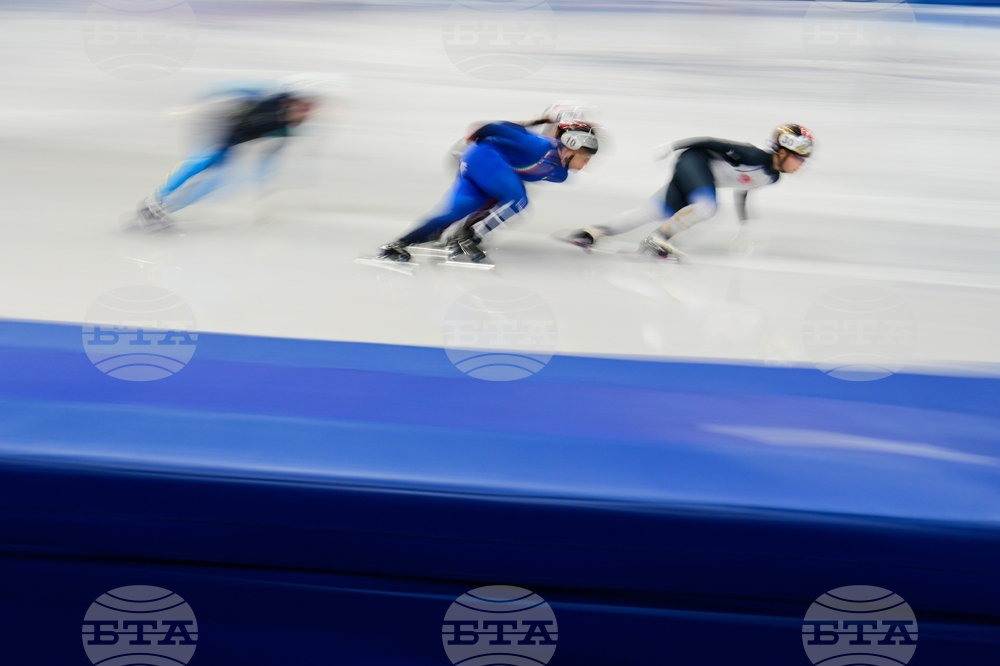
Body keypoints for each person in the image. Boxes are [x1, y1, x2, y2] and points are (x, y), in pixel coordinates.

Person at [377, 105, 600, 263]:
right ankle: (469, 237)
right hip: (482, 156)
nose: (586, 165)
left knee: (456, 211)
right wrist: (472, 141)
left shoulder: (558, 174)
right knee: (517, 199)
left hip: (481, 166)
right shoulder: (539, 146)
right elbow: (494, 127)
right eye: (585, 158)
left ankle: (399, 244)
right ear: (569, 148)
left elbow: (508, 180)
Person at [565, 124, 814, 257]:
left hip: (699, 178)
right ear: (783, 152)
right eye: (800, 158)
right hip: (694, 162)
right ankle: (659, 239)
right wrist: (673, 146)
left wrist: (745, 225)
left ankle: (593, 232)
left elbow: (744, 187)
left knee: (651, 211)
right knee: (707, 207)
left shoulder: (771, 178)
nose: (802, 164)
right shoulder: (753, 155)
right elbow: (713, 142)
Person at [129, 74, 331, 230]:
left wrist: (264, 193)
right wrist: (188, 106)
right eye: (304, 107)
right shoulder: (269, 95)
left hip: (232, 140)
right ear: (290, 100)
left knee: (220, 183)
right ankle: (152, 203)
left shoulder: (286, 130)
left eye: (311, 109)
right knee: (203, 159)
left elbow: (268, 159)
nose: (307, 113)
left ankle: (163, 210)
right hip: (214, 121)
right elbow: (223, 87)